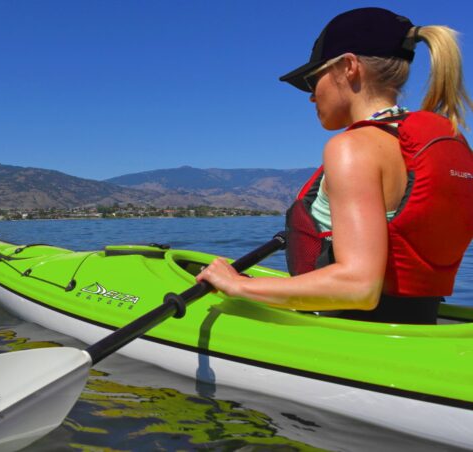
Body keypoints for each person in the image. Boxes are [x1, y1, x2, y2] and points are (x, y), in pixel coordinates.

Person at [196, 7, 473, 324]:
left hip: (355, 330)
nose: (312, 96)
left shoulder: (353, 148)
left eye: (313, 79)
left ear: (349, 67)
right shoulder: (443, 142)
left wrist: (239, 285)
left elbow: (359, 287)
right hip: (419, 323)